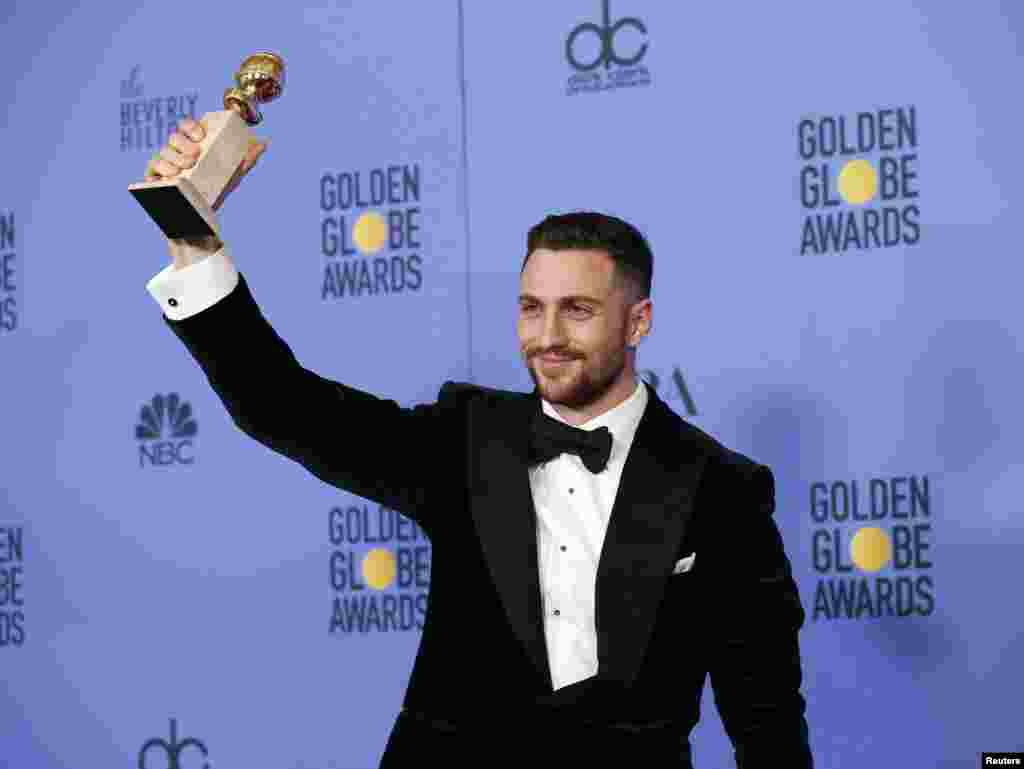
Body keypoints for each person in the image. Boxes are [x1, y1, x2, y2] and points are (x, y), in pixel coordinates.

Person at [143, 117, 814, 768]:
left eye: (576, 310)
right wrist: (194, 245)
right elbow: (284, 407)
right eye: (531, 306)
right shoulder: (468, 438)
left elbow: (769, 720)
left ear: (638, 321)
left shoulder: (723, 488)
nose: (546, 335)